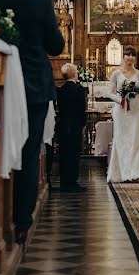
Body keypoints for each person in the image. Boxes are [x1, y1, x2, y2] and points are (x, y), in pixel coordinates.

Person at [0, 0, 64, 243]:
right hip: (33, 88)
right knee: (28, 153)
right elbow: (56, 47)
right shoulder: (40, 2)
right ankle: (20, 222)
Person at [106, 47, 139, 182]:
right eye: (127, 55)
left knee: (135, 139)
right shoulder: (116, 73)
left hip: (135, 109)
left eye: (133, 55)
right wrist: (121, 100)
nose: (130, 57)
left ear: (135, 58)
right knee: (121, 139)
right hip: (121, 110)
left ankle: (135, 172)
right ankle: (122, 172)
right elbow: (109, 92)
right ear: (123, 57)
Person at [56, 64, 86, 192]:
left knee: (64, 154)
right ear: (74, 74)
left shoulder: (60, 89)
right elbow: (81, 109)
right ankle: (72, 183)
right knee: (74, 155)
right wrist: (83, 125)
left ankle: (64, 182)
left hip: (63, 125)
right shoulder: (79, 89)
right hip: (75, 126)